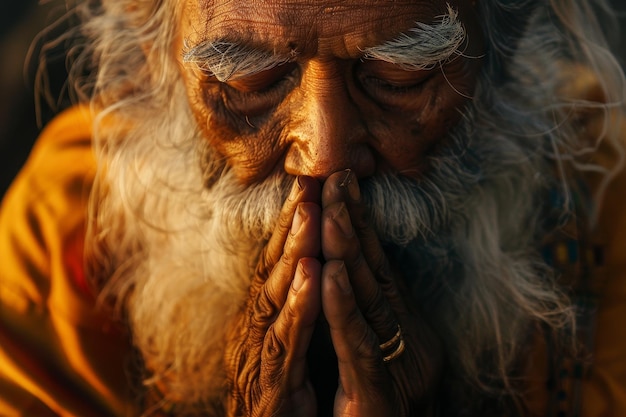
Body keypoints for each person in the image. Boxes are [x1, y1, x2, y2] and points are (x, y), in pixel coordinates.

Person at [1, 0, 625, 415]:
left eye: (400, 77)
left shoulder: (608, 197)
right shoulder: (65, 239)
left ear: (503, 49)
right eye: (251, 81)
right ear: (152, 57)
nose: (323, 156)